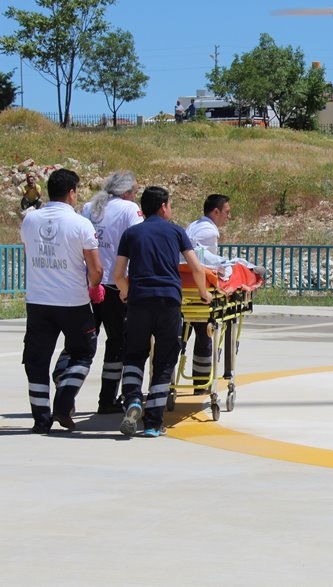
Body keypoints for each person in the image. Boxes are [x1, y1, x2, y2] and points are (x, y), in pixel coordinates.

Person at [114, 186, 212, 437]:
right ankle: (152, 423)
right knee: (165, 360)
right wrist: (204, 293)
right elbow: (197, 268)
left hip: (139, 302)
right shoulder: (176, 232)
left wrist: (125, 292)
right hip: (168, 302)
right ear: (163, 207)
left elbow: (118, 274)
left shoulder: (131, 233)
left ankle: (133, 400)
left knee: (134, 355)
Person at [20, 168, 104, 434]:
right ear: (71, 193)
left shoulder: (30, 220)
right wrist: (94, 287)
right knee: (83, 352)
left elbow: (30, 253)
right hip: (73, 302)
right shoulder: (80, 224)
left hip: (38, 302)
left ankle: (41, 419)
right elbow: (96, 269)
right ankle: (64, 400)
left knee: (36, 360)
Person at [81, 171, 144, 414]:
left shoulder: (89, 207)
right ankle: (107, 399)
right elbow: (138, 241)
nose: (135, 196)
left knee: (83, 338)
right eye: (135, 192)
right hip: (115, 285)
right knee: (117, 341)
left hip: (89, 283)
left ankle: (65, 381)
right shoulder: (129, 209)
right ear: (126, 192)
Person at [185, 193, 231, 393]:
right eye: (226, 212)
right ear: (216, 212)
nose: (228, 216)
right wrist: (223, 266)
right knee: (204, 335)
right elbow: (203, 260)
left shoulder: (193, 226)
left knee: (181, 336)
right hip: (199, 290)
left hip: (185, 288)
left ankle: (167, 378)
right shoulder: (208, 231)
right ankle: (201, 383)